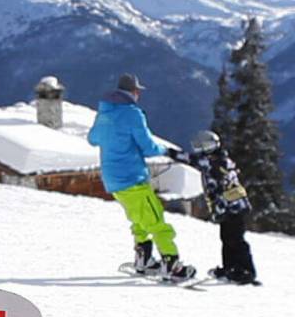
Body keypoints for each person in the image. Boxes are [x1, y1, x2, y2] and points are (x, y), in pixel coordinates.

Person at [87, 73, 196, 281]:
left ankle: (144, 260)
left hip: (112, 180)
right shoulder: (133, 114)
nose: (139, 95)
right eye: (138, 92)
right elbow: (147, 147)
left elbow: (93, 139)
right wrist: (168, 151)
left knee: (138, 219)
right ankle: (171, 264)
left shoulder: (104, 112)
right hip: (132, 177)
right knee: (155, 219)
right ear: (133, 92)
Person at [167, 131, 257, 284]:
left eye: (199, 147)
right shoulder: (217, 159)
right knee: (227, 238)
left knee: (235, 239)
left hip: (232, 207)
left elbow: (193, 161)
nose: (197, 150)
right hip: (229, 207)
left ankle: (246, 270)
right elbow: (195, 161)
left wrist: (170, 153)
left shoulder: (216, 162)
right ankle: (230, 268)